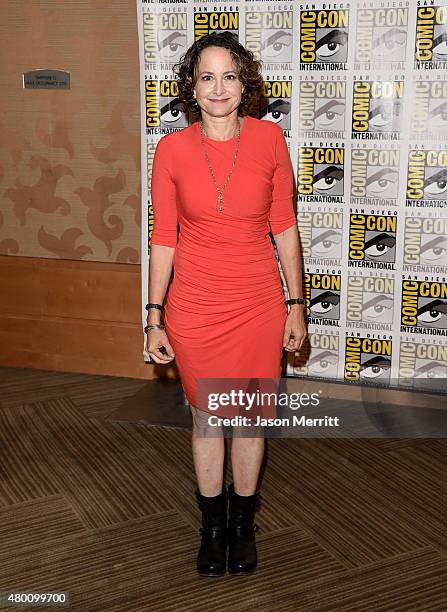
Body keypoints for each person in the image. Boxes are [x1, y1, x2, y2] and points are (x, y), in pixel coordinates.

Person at [145, 31, 306, 577]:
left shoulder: (269, 141)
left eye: (229, 76)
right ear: (192, 86)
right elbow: (163, 237)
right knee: (210, 421)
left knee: (251, 421)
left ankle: (243, 525)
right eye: (207, 77)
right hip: (194, 309)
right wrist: (154, 316)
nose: (219, 88)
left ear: (245, 84)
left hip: (259, 306)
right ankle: (212, 527)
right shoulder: (171, 149)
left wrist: (296, 304)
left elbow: (284, 228)